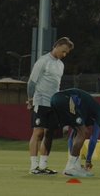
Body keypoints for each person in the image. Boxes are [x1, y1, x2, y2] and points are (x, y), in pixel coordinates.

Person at [26, 37, 74, 175]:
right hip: (40, 102)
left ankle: (43, 165)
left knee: (49, 134)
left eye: (66, 53)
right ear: (56, 46)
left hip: (53, 104)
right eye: (63, 51)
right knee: (38, 132)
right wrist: (30, 100)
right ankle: (33, 166)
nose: (64, 54)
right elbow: (31, 82)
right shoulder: (43, 61)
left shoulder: (60, 65)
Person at [50, 88, 100, 178]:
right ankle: (70, 168)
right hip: (65, 99)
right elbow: (93, 139)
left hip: (54, 100)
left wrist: (74, 159)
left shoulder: (87, 112)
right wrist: (88, 160)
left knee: (79, 131)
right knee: (83, 132)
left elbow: (71, 138)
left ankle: (75, 165)